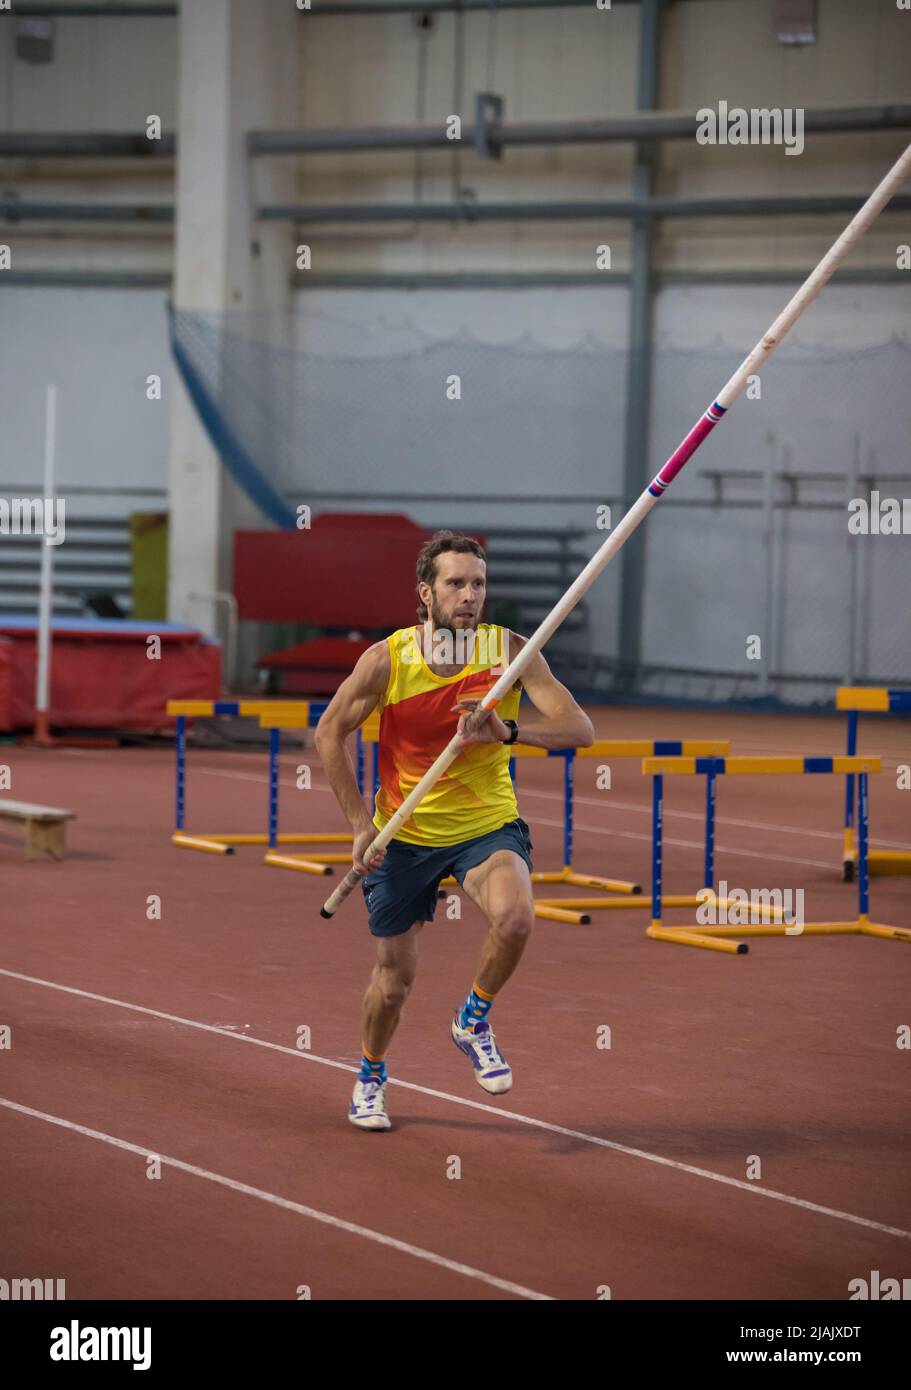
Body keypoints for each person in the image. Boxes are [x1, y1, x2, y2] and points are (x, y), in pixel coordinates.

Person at [315, 530, 594, 1131]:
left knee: (516, 918)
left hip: (485, 826)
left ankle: (473, 1020)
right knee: (393, 983)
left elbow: (580, 730)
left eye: (479, 584)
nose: (471, 596)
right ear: (426, 592)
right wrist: (361, 825)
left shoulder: (511, 653)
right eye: (456, 584)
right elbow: (328, 733)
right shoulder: (390, 659)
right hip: (404, 833)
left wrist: (509, 734)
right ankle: (370, 1076)